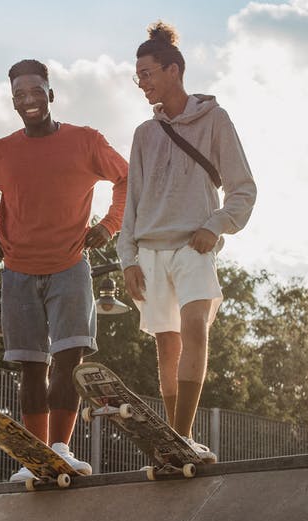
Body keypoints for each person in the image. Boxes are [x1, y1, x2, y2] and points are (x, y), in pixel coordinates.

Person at [0, 59, 128, 481]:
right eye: (20, 95)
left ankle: (60, 449)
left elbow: (127, 178)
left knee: (69, 358)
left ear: (51, 94)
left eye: (36, 91)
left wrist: (109, 225)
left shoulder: (86, 141)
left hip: (70, 267)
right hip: (18, 272)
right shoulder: (1, 150)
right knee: (31, 366)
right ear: (13, 102)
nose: (29, 100)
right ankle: (35, 458)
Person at [117, 22, 257, 461]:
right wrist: (127, 259)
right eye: (138, 76)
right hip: (149, 251)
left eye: (147, 73)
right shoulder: (144, 134)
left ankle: (180, 439)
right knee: (167, 347)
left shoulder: (215, 119)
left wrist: (215, 225)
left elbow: (243, 189)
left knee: (195, 327)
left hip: (194, 247)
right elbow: (132, 202)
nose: (142, 83)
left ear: (173, 70)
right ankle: (175, 444)